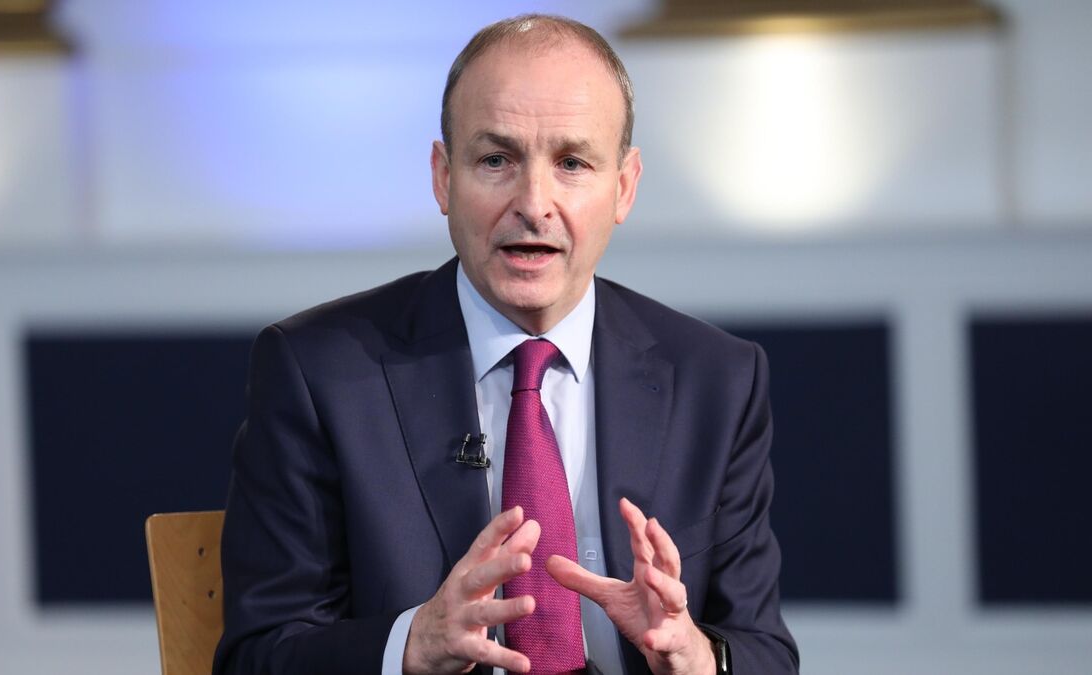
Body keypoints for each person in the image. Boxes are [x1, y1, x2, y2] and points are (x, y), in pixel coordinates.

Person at [213, 14, 798, 675]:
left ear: (624, 187)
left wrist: (694, 656)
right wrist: (411, 643)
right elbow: (258, 655)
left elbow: (764, 651)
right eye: (497, 160)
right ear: (443, 177)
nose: (533, 203)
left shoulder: (716, 381)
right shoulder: (320, 374)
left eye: (572, 163)